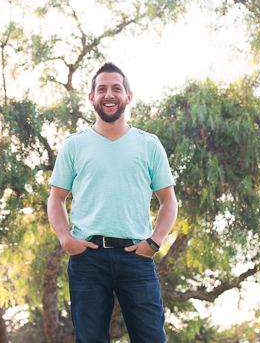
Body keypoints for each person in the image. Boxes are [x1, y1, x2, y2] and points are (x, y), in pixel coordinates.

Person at [47, 62, 178, 343]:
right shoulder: (74, 145)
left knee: (152, 339)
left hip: (137, 257)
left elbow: (169, 201)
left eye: (116, 88)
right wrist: (65, 239)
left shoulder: (149, 144)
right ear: (92, 97)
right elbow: (56, 199)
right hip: (87, 258)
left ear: (128, 97)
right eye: (102, 89)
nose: (109, 94)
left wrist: (154, 242)